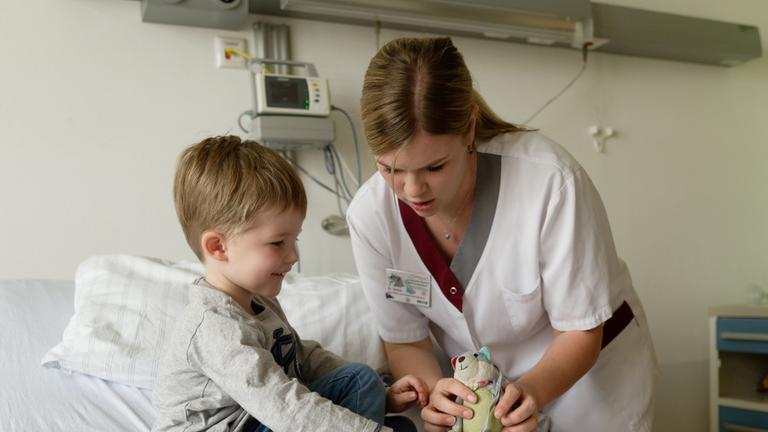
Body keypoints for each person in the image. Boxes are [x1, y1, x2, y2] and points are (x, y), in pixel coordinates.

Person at [347, 37, 657, 432]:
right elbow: (405, 339)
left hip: (592, 383)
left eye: (434, 167)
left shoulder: (549, 181)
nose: (412, 191)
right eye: (390, 169)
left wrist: (530, 392)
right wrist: (436, 391)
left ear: (469, 129)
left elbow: (580, 329)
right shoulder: (371, 215)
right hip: (489, 391)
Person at [152, 136, 428, 432]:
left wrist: (380, 393)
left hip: (264, 419)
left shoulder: (259, 301)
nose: (293, 256)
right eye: (277, 243)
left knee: (365, 386)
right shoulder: (213, 326)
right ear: (219, 247)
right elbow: (282, 405)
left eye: (294, 240)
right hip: (250, 421)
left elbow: (300, 358)